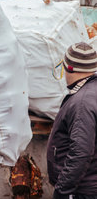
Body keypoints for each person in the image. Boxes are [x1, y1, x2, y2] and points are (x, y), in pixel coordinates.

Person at [47, 42, 97, 199]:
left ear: (68, 68)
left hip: (82, 190)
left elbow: (81, 152)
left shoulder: (82, 103)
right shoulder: (91, 91)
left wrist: (62, 191)